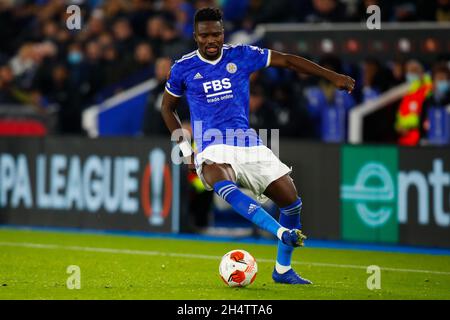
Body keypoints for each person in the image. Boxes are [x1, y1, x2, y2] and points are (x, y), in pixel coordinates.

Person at [161, 7, 355, 285]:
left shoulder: (241, 55)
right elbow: (167, 109)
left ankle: (283, 270)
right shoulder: (183, 67)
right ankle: (280, 233)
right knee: (221, 179)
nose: (211, 40)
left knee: (292, 202)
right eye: (205, 35)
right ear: (195, 36)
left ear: (223, 33)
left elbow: (287, 61)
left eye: (216, 33)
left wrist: (331, 76)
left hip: (248, 143)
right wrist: (185, 149)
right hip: (210, 145)